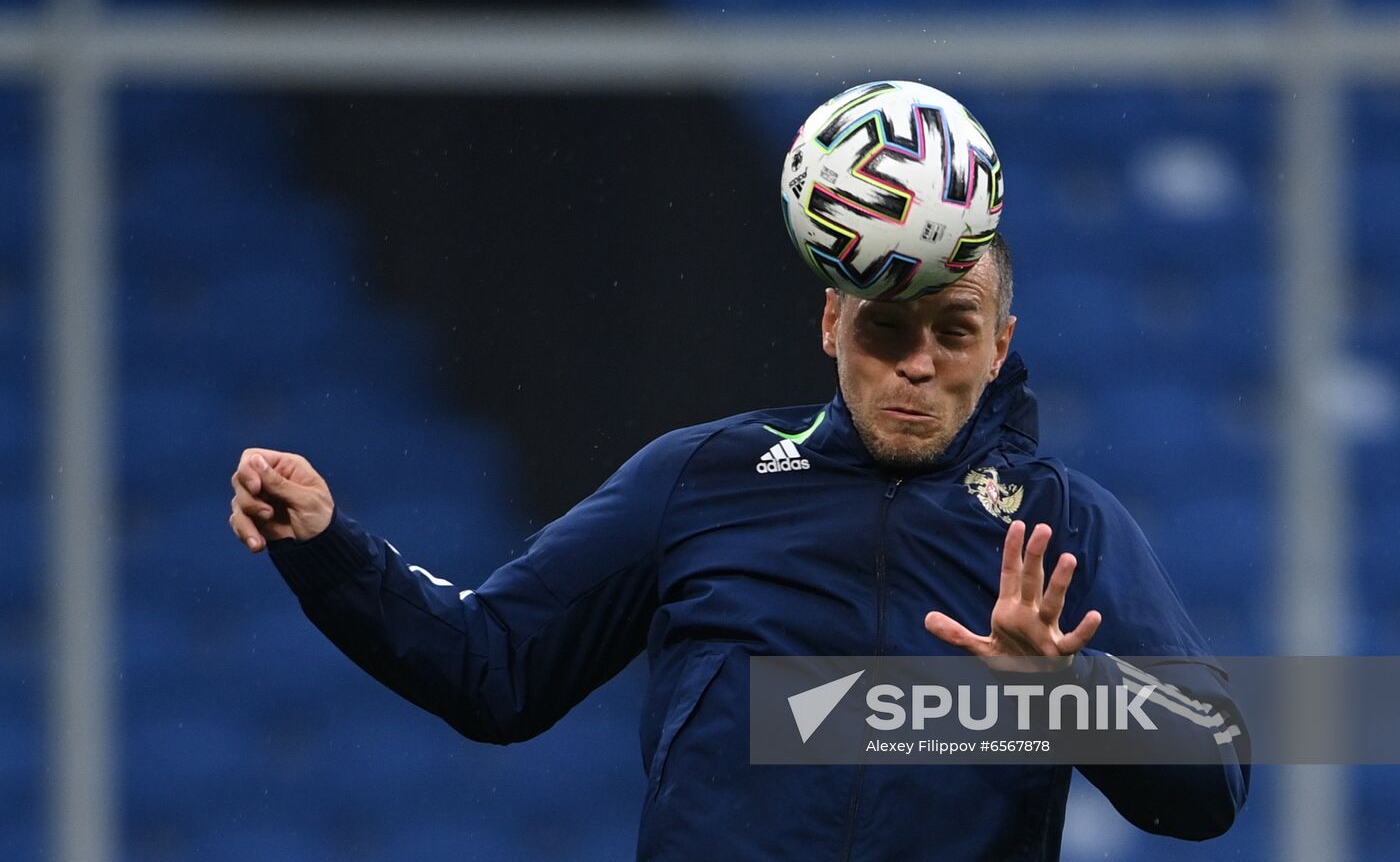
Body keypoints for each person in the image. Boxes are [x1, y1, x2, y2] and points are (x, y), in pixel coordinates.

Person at [229, 234, 1248, 860]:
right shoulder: (699, 477)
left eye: (952, 328)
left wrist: (1067, 695)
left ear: (999, 343)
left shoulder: (1061, 526)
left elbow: (1212, 782)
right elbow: (492, 667)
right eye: (885, 328)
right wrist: (327, 548)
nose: (916, 364)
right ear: (828, 322)